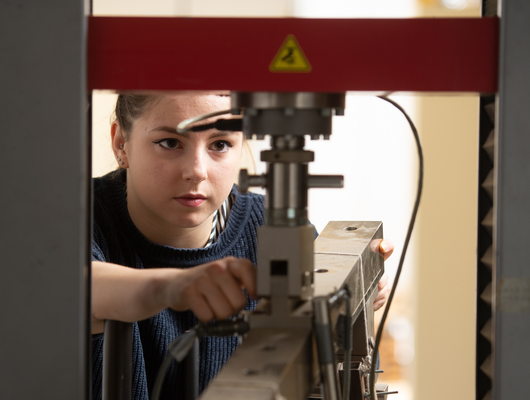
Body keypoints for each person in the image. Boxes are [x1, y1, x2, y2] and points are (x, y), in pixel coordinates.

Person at [90, 94, 393, 400]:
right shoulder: (76, 218)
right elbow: (75, 286)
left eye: (219, 144)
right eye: (170, 143)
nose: (197, 171)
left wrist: (355, 308)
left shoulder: (272, 228)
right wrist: (174, 286)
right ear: (120, 144)